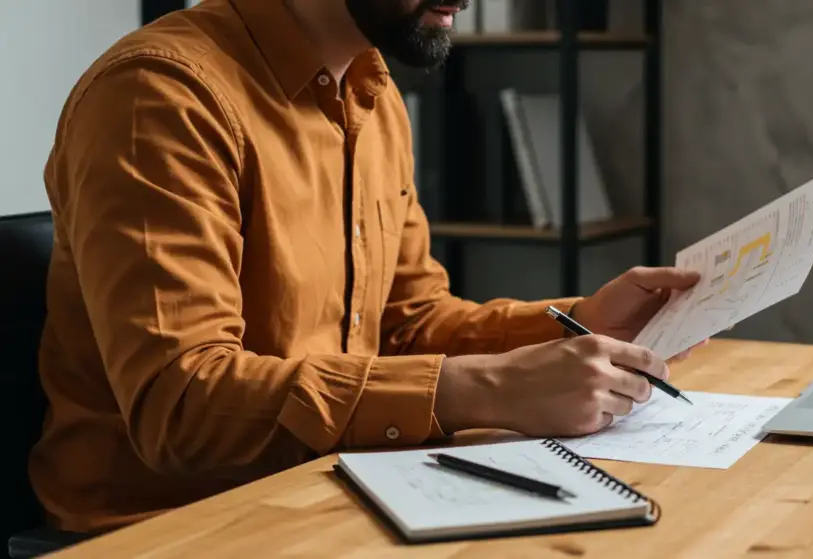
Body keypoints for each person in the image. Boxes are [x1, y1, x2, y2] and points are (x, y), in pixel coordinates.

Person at [29, 0, 703, 534]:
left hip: (331, 493)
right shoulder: (161, 97)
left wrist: (575, 324)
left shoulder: (371, 95)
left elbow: (409, 321)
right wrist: (479, 388)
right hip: (167, 530)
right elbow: (181, 403)